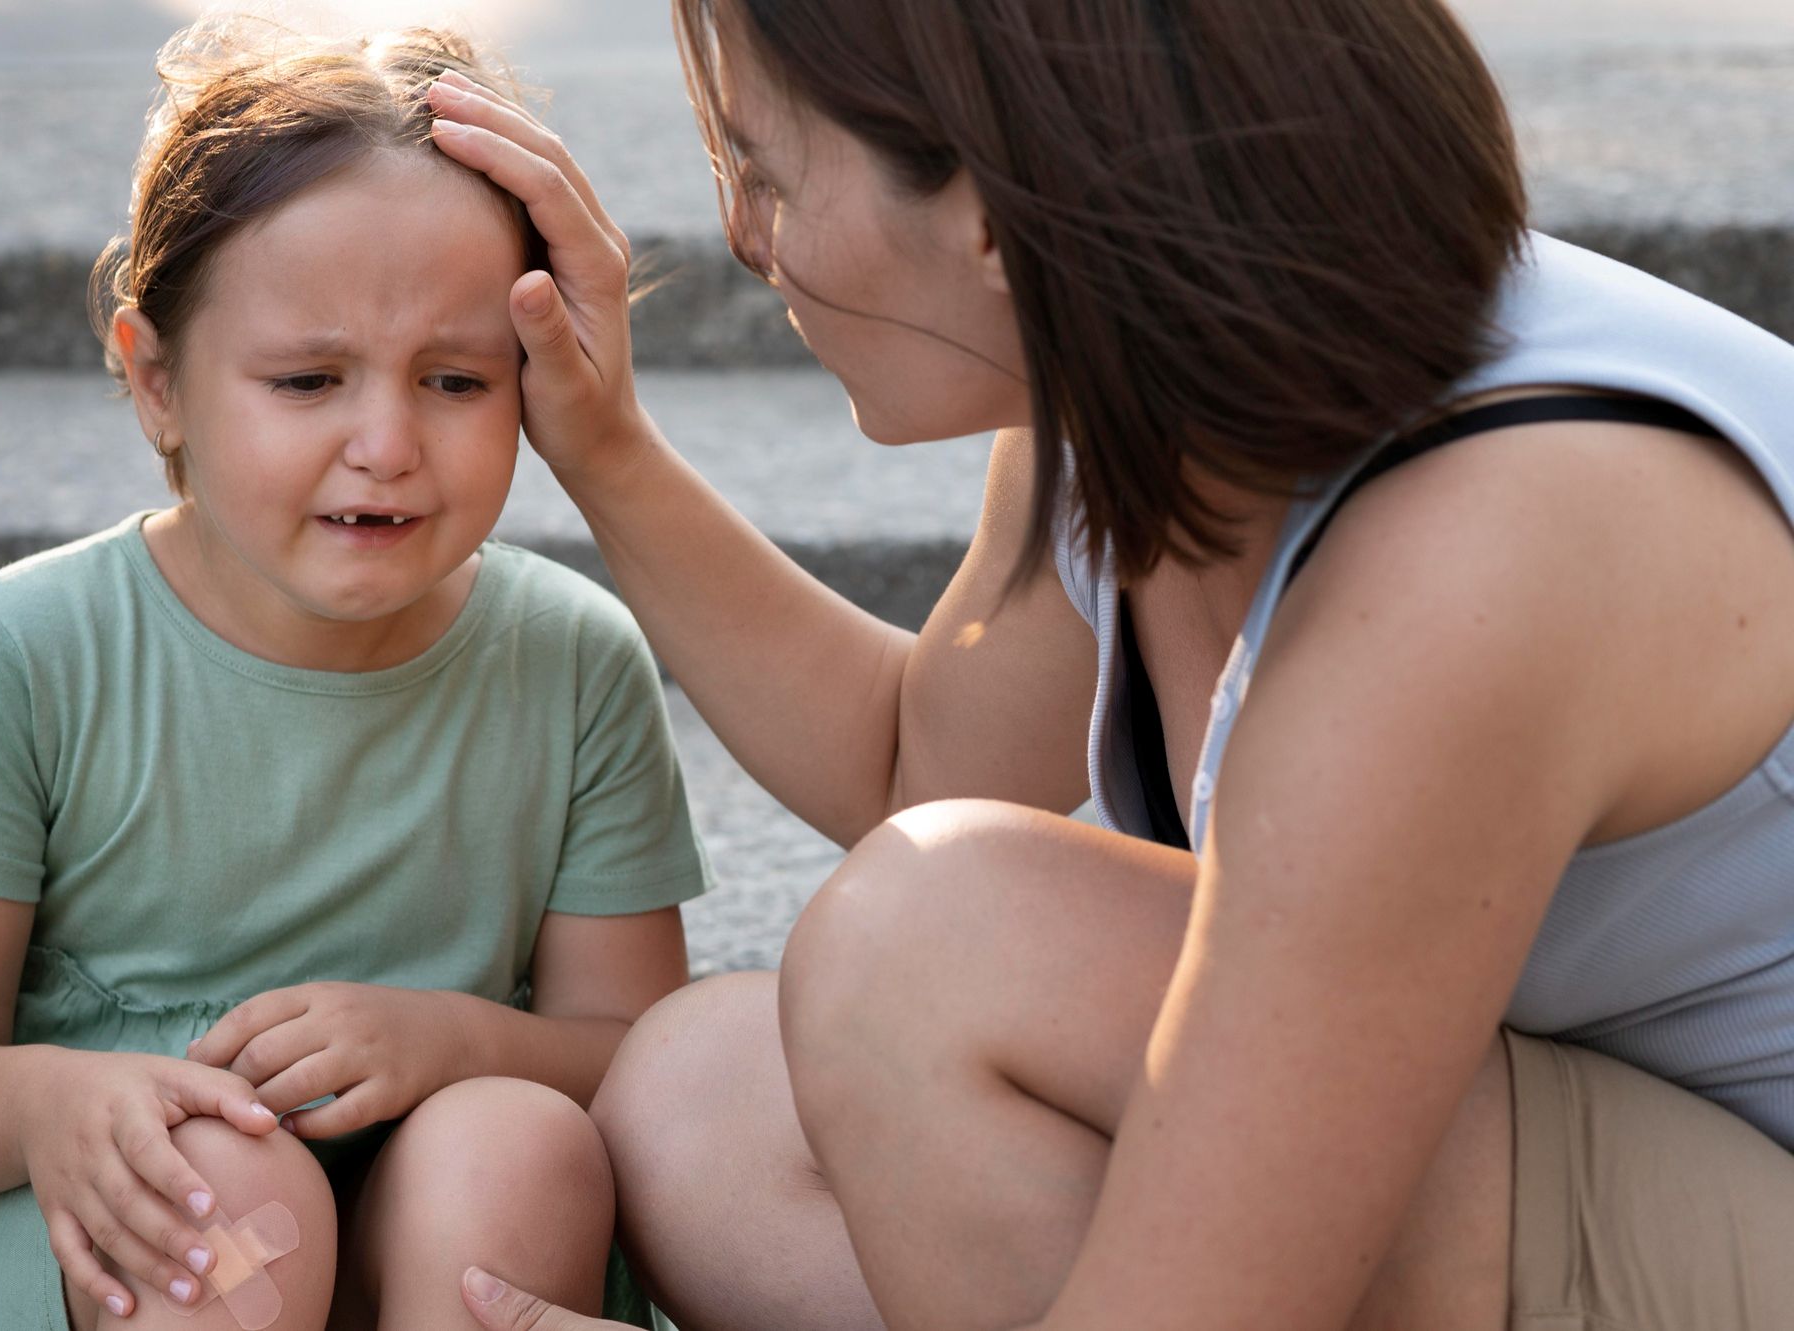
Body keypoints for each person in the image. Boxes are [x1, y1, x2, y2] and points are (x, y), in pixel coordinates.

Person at [422, 0, 1794, 1328]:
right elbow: (917, 765)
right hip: (1594, 1131)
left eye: (765, 173)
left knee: (932, 945)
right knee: (702, 1100)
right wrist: (603, 447)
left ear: (988, 220)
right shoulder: (1143, 381)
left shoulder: (1470, 567)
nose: (742, 235)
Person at [0, 18, 708, 1331]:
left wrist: (452, 1040)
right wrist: (51, 1104)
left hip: (417, 1223)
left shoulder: (572, 661)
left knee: (516, 1144)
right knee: (230, 1188)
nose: (386, 442)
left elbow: (634, 1051)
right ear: (157, 381)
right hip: (107, 1216)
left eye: (456, 380)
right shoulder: (26, 653)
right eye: (308, 379)